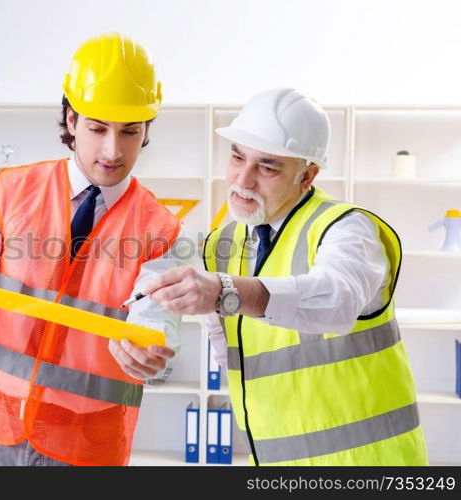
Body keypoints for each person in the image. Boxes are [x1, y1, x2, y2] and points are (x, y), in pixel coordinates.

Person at [0, 32, 185, 466]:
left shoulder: (162, 230)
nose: (112, 150)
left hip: (82, 443)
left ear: (146, 131)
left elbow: (154, 323)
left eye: (130, 132)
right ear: (71, 120)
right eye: (97, 128)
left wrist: (149, 353)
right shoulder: (4, 193)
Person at [141, 88, 429, 466]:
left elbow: (336, 300)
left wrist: (226, 292)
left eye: (267, 166)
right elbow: (228, 350)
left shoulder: (346, 229)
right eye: (237, 156)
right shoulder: (221, 245)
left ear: (306, 174)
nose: (242, 180)